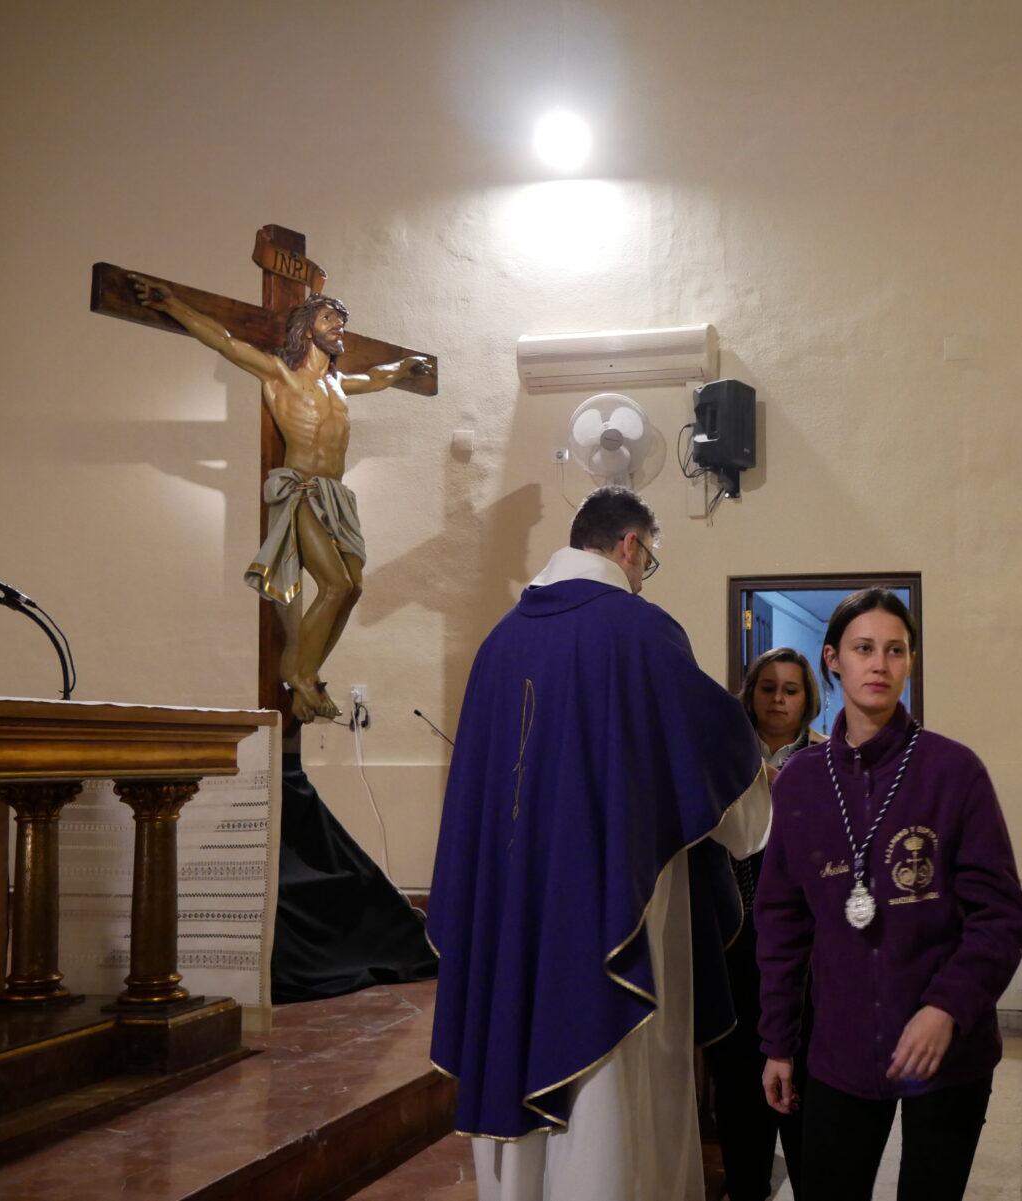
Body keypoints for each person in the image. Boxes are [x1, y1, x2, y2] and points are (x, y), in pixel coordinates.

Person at [427, 486, 771, 1201]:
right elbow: (721, 755)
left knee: (518, 1048)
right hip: (602, 906)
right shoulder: (639, 631)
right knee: (609, 1097)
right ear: (630, 546)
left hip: (512, 913)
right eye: (649, 561)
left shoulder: (498, 643)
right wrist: (754, 809)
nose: (645, 577)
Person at [755, 589, 1022, 1201]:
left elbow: (1003, 915)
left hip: (947, 1049)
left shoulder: (953, 771)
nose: (879, 664)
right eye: (863, 649)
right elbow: (781, 926)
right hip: (840, 1048)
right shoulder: (801, 782)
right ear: (833, 659)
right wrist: (777, 1043)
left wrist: (945, 1008)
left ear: (910, 661)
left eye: (895, 650)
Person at [130, 274, 434, 722]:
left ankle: (306, 672)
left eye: (341, 321)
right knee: (334, 584)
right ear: (307, 328)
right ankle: (298, 674)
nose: (339, 326)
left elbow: (377, 376)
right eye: (329, 318)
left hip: (336, 496)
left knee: (353, 589)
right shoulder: (280, 375)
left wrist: (405, 365)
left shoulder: (339, 384)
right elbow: (224, 341)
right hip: (302, 489)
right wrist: (173, 305)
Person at [707, 648, 824, 1201]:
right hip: (735, 944)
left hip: (807, 956)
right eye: (768, 688)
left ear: (807, 699)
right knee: (738, 1091)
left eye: (790, 690)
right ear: (750, 695)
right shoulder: (723, 762)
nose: (778, 700)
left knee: (806, 1093)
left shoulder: (830, 761)